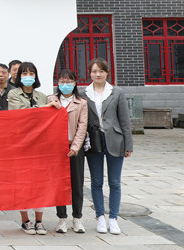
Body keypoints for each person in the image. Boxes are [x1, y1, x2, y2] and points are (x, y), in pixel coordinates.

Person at [7, 61, 60, 235]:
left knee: (39, 184)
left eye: (31, 73)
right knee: (22, 183)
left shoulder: (42, 96)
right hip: (21, 146)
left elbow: (48, 118)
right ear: (18, 76)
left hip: (40, 147)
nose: (28, 77)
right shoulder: (13, 94)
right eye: (24, 73)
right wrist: (44, 108)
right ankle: (25, 220)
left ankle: (39, 221)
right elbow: (21, 114)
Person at [84, 58, 132, 235]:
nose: (98, 74)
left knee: (114, 182)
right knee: (96, 182)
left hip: (115, 140)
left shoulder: (117, 92)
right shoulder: (84, 93)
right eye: (94, 71)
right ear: (89, 73)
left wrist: (129, 144)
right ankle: (100, 218)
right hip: (94, 141)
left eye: (101, 71)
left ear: (107, 73)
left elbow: (125, 121)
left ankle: (113, 218)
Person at [51, 69, 88, 234]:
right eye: (62, 81)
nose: (65, 85)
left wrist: (75, 147)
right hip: (57, 148)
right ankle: (61, 219)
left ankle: (77, 218)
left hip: (75, 148)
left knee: (77, 183)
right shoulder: (51, 100)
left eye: (69, 82)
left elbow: (82, 127)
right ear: (58, 83)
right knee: (60, 184)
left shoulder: (82, 103)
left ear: (74, 83)